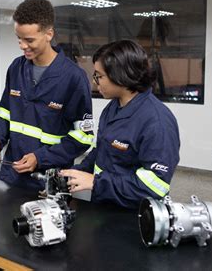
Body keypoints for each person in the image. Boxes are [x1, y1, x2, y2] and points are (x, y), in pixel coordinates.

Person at [0, 0, 94, 190]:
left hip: (49, 181)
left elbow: (83, 138)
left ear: (49, 34)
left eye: (29, 40)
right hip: (12, 176)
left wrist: (40, 157)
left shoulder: (74, 78)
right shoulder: (16, 68)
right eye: (19, 39)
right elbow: (5, 113)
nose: (22, 46)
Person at [60, 40, 180, 209]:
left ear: (122, 75)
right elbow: (101, 151)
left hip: (136, 214)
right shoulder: (113, 108)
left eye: (99, 76)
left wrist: (97, 182)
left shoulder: (157, 122)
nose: (95, 82)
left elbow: (155, 186)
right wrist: (75, 173)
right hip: (106, 203)